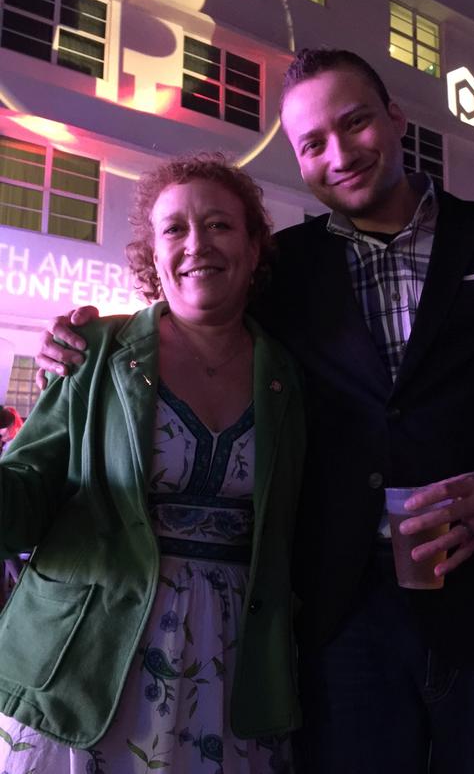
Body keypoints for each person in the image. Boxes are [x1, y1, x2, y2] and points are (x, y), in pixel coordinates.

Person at [35, 49, 474, 774]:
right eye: (312, 144)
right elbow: (196, 320)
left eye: (355, 122)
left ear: (395, 118)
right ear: (299, 161)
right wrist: (88, 339)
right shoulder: (285, 266)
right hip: (343, 622)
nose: (340, 153)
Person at [0, 153, 305, 773]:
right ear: (153, 253)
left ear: (253, 248)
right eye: (175, 229)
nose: (197, 244)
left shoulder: (288, 374)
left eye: (219, 225)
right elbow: (26, 494)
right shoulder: (92, 349)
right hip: (88, 654)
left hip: (231, 663)